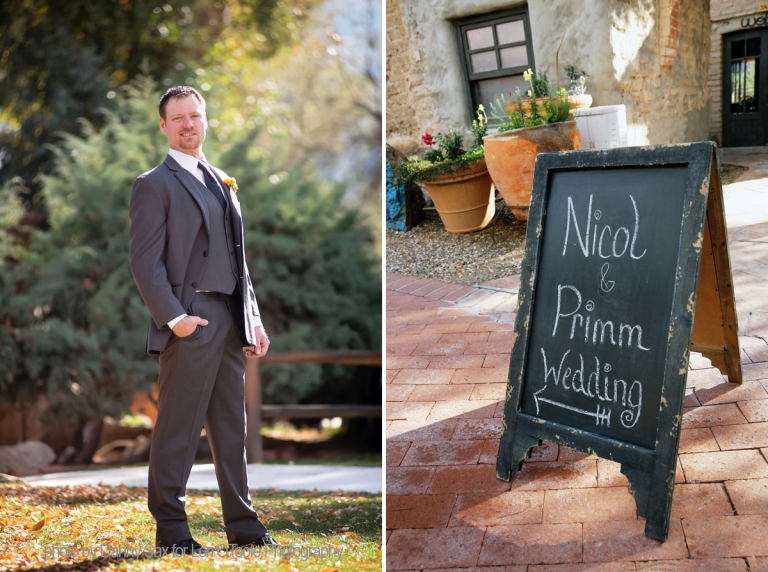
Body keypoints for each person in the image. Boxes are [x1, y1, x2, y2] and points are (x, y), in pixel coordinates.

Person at [129, 85, 277, 553]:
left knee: (233, 430)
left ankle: (246, 528)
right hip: (189, 323)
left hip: (230, 320)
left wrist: (252, 319)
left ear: (206, 119)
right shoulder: (152, 184)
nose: (188, 124)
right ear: (163, 126)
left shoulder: (222, 180)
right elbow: (144, 263)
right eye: (178, 118)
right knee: (177, 429)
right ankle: (172, 532)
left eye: (195, 115)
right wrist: (176, 319)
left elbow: (241, 263)